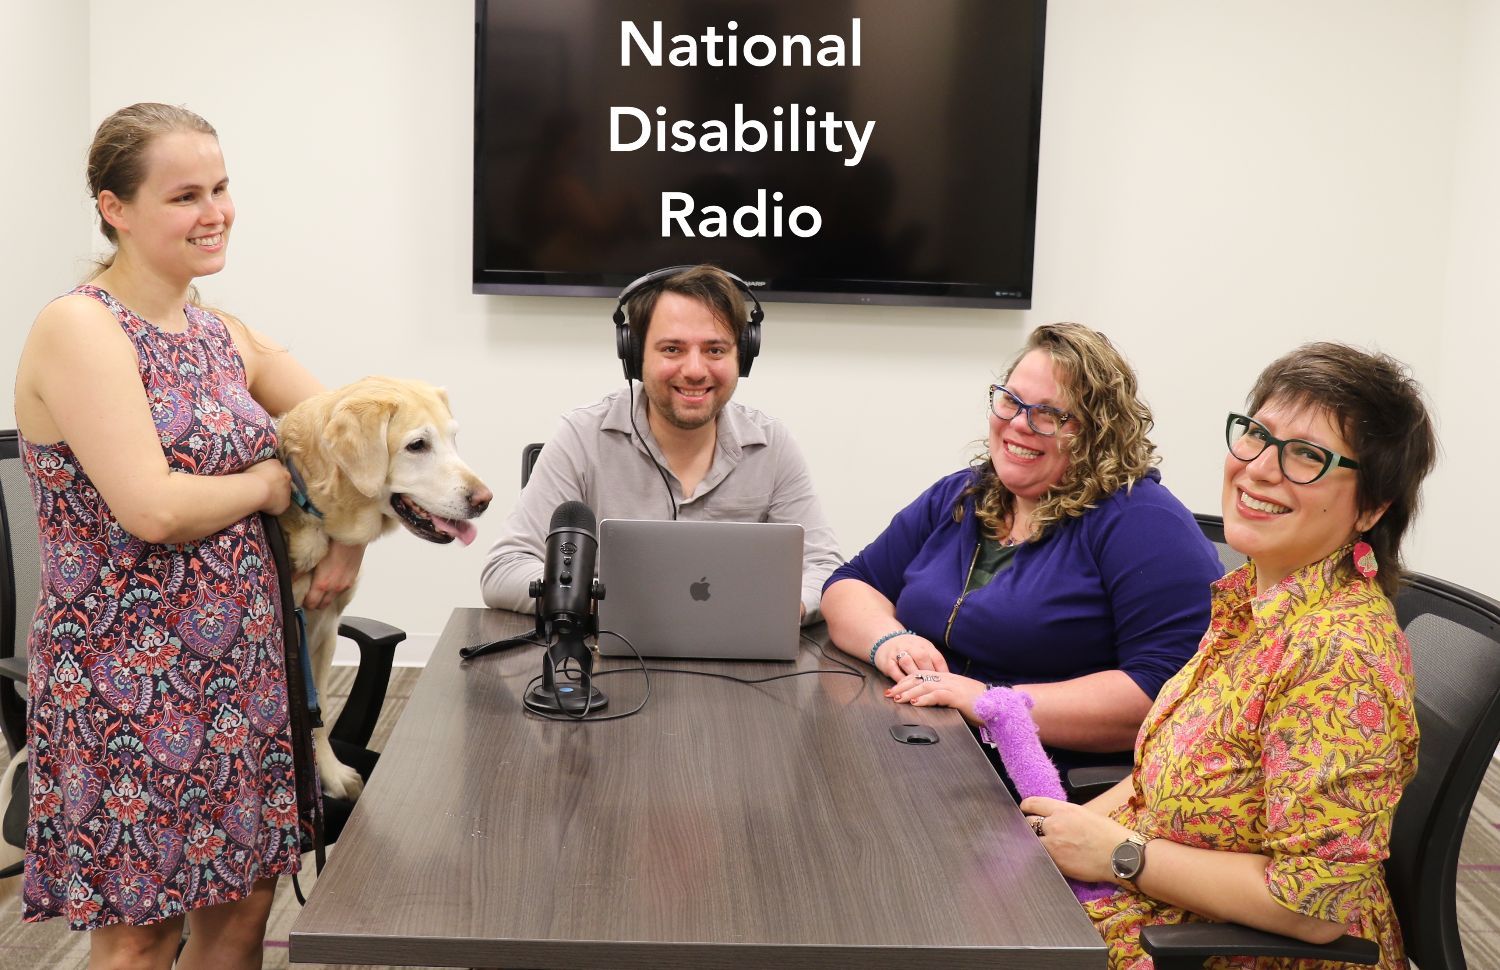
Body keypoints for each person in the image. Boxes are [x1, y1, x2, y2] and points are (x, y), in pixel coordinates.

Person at [12, 103, 362, 969]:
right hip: (127, 687)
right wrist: (272, 484)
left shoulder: (221, 332)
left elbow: (351, 432)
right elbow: (154, 509)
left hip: (242, 676)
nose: (215, 212)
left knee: (243, 913)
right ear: (114, 208)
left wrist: (350, 533)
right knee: (139, 937)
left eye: (221, 188)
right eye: (184, 196)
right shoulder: (80, 327)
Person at [1020, 343, 1436, 968]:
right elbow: (1179, 778)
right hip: (1157, 906)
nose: (1261, 469)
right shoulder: (1253, 603)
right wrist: (1050, 836)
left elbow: (1313, 909)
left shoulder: (1338, 656)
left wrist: (1117, 854)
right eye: (1258, 436)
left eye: (1307, 456)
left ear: (1372, 508)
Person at [822, 323, 1222, 773]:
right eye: (1011, 401)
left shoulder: (1143, 521)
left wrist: (991, 702)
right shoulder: (962, 496)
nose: (1018, 424)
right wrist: (889, 640)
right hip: (919, 742)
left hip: (1039, 783)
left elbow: (1165, 692)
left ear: (1098, 432)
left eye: (1050, 414)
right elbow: (850, 585)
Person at [480, 264, 842, 622]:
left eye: (715, 350)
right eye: (672, 349)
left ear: (741, 356)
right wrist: (604, 604)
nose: (696, 370)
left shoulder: (772, 446)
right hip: (606, 658)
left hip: (741, 661)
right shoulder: (582, 437)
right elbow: (504, 569)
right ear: (636, 356)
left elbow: (824, 568)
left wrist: (785, 608)